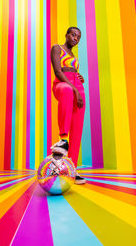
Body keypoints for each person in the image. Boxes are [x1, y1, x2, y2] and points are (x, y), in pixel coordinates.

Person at [50, 27, 86, 185]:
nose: (75, 38)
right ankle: (63, 139)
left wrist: (79, 77)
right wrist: (74, 89)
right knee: (65, 90)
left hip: (77, 87)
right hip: (63, 85)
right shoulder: (57, 48)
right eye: (73, 34)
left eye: (78, 37)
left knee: (77, 130)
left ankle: (72, 169)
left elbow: (73, 72)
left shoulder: (74, 56)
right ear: (66, 35)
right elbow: (58, 71)